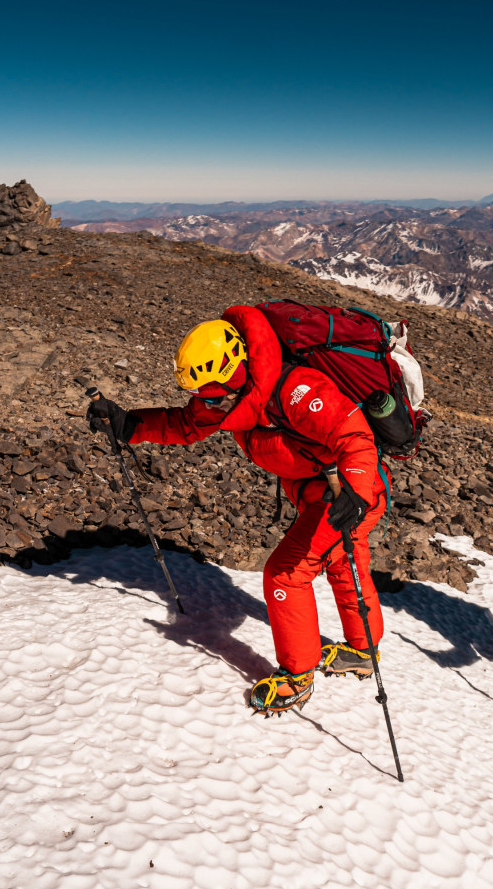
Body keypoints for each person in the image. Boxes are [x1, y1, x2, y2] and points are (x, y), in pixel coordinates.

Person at [86, 305, 389, 715]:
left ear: (233, 371)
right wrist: (130, 426)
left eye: (210, 394)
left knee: (286, 573)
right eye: (199, 395)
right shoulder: (235, 395)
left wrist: (354, 490)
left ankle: (296, 678)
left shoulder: (297, 389)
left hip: (349, 493)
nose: (205, 404)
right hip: (326, 494)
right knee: (341, 562)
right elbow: (187, 424)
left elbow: (352, 433)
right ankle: (363, 650)